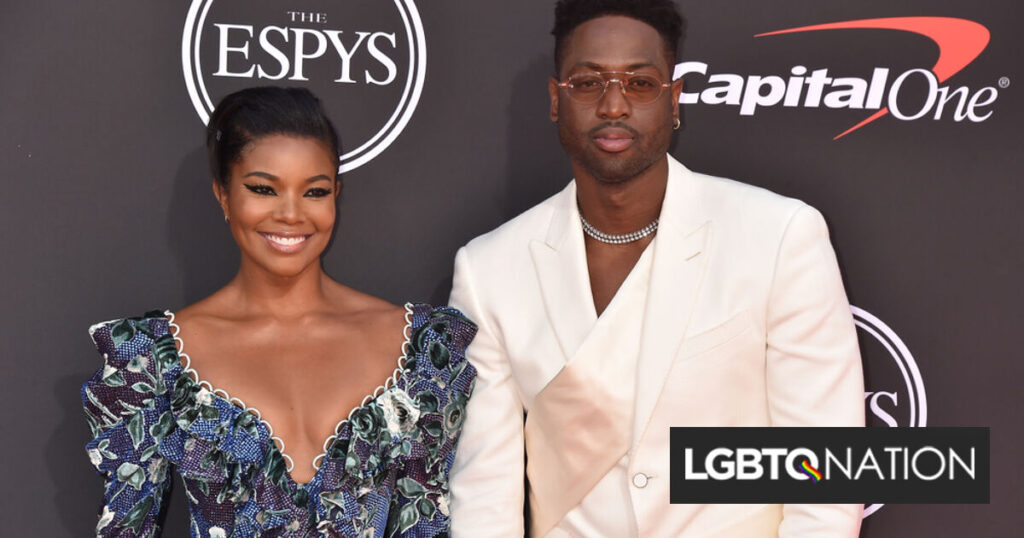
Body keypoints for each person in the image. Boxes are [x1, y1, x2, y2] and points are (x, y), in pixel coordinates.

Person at [447, 1, 864, 536]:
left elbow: (824, 477)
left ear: (674, 101)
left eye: (640, 84)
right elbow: (484, 493)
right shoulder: (488, 270)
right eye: (587, 83)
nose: (614, 105)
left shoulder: (779, 236)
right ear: (556, 100)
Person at [81, 87, 477, 537]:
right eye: (263, 189)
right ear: (223, 195)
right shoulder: (149, 360)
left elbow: (424, 525)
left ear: (336, 196)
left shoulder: (423, 352)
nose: (291, 214)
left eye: (314, 191)